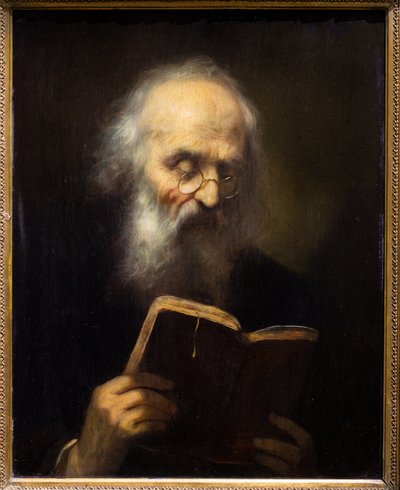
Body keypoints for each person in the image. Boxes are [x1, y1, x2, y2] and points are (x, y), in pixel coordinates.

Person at [57, 57, 319, 478]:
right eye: (185, 169)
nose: (211, 198)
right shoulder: (65, 284)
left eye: (228, 174)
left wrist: (310, 473)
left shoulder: (291, 296)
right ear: (129, 168)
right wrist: (84, 460)